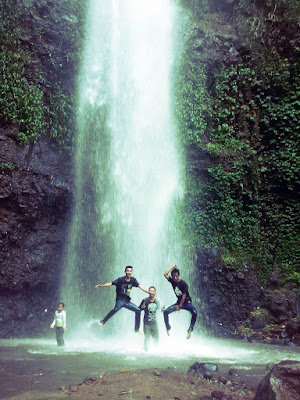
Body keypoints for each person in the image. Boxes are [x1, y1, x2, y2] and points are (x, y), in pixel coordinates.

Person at [95, 265, 149, 332]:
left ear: (132, 272)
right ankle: (102, 322)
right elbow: (111, 283)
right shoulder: (120, 280)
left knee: (138, 311)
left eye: (130, 271)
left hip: (127, 301)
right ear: (125, 271)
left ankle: (136, 329)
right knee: (115, 309)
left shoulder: (133, 280)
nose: (129, 272)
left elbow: (140, 286)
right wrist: (102, 286)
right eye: (127, 271)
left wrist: (148, 292)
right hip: (120, 300)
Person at [163, 264, 197, 339]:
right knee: (165, 312)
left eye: (176, 276)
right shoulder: (172, 281)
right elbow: (165, 274)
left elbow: (184, 295)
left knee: (194, 312)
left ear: (179, 276)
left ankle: (190, 329)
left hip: (186, 303)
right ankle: (168, 328)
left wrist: (180, 306)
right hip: (179, 302)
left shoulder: (183, 284)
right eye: (173, 276)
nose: (175, 278)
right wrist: (172, 267)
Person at [139, 286, 162, 351]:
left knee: (156, 339)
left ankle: (156, 351)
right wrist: (142, 307)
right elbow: (138, 309)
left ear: (155, 292)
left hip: (154, 323)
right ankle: (145, 351)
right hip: (147, 323)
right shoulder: (145, 300)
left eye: (153, 291)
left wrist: (163, 309)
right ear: (148, 292)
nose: (151, 292)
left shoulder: (157, 301)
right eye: (150, 291)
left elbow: (160, 310)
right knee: (147, 339)